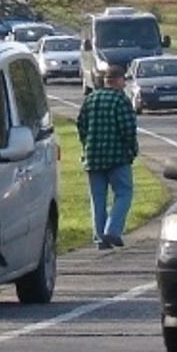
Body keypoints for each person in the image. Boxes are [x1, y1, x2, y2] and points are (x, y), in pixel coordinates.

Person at [76, 64, 139, 249]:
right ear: (118, 80)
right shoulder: (120, 100)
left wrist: (87, 145)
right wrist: (132, 149)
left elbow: (81, 125)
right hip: (117, 156)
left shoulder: (91, 99)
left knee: (98, 199)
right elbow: (128, 129)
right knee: (124, 193)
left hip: (93, 156)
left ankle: (100, 237)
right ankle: (112, 230)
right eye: (123, 80)